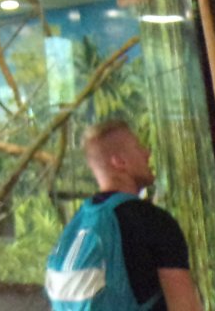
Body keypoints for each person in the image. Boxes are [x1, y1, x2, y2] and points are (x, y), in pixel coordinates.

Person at [48, 119, 203, 310]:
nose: (147, 154)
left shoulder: (78, 224)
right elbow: (185, 306)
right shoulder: (152, 222)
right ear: (120, 162)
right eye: (139, 148)